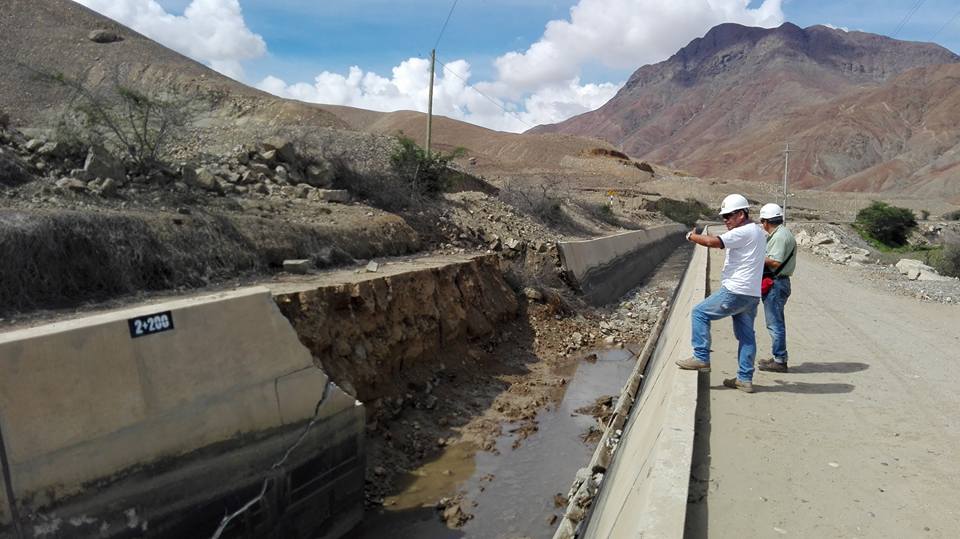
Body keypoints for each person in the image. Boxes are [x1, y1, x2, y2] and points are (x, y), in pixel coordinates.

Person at [676, 194, 767, 393]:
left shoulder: (742, 232)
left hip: (735, 290)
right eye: (723, 216)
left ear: (742, 214)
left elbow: (712, 242)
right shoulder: (758, 232)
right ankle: (744, 379)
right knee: (746, 336)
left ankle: (701, 357)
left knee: (699, 313)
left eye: (729, 216)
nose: (725, 220)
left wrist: (691, 236)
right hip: (751, 294)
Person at [757, 203, 797, 373]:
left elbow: (775, 261)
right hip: (778, 283)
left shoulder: (780, 237)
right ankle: (777, 357)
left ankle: (780, 360)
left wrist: (755, 256)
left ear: (766, 221)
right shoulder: (781, 233)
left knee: (775, 323)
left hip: (777, 284)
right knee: (775, 322)